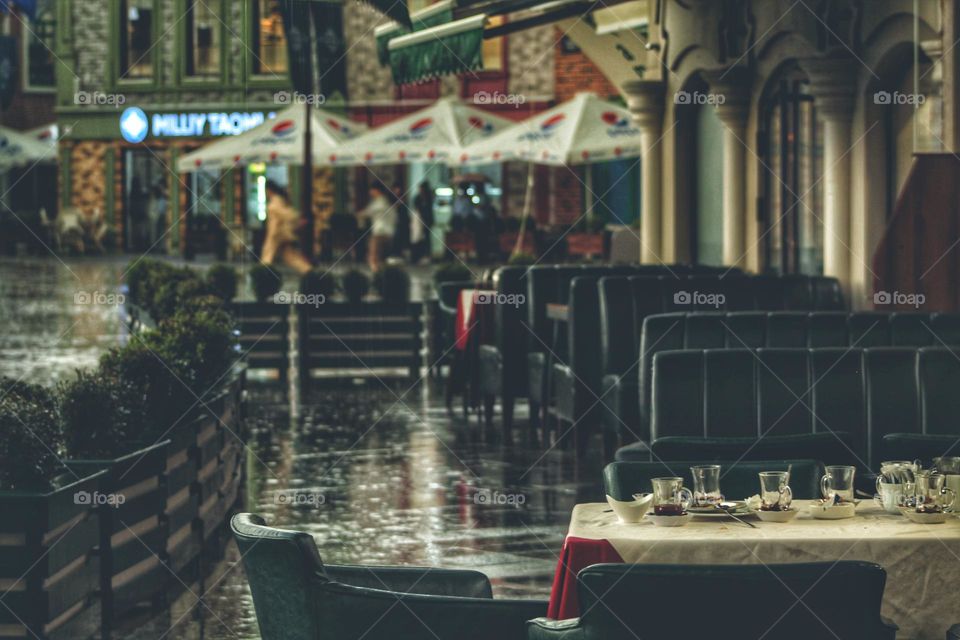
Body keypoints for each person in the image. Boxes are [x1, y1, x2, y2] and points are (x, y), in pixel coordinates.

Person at [261, 180, 311, 274]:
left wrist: (297, 218)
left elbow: (284, 215)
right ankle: (309, 272)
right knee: (290, 257)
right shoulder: (279, 200)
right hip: (281, 234)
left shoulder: (275, 203)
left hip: (277, 235)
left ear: (269, 190)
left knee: (267, 257)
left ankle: (262, 275)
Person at [358, 183, 395, 272]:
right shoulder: (386, 201)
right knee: (382, 259)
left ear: (376, 190)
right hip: (388, 233)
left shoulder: (380, 202)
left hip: (380, 233)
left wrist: (359, 215)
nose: (370, 192)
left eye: (371, 190)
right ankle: (382, 275)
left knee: (373, 258)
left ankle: (376, 275)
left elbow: (368, 212)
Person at [412, 181, 434, 264]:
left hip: (427, 220)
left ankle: (427, 255)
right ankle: (420, 255)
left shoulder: (428, 197)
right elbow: (416, 208)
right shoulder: (418, 198)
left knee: (427, 238)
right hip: (419, 220)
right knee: (419, 238)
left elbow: (429, 210)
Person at [391, 183, 410, 260]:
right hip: (394, 222)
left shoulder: (403, 200)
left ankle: (401, 255)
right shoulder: (392, 199)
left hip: (403, 222)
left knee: (402, 239)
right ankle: (396, 254)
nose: (397, 191)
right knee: (396, 239)